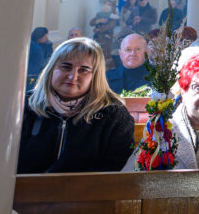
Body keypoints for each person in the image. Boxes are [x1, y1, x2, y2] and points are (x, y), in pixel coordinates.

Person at [18, 38, 135, 173]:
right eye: (66, 67)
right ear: (51, 69)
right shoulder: (24, 105)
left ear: (95, 76)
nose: (73, 77)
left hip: (88, 187)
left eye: (83, 70)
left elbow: (116, 167)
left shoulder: (114, 114)